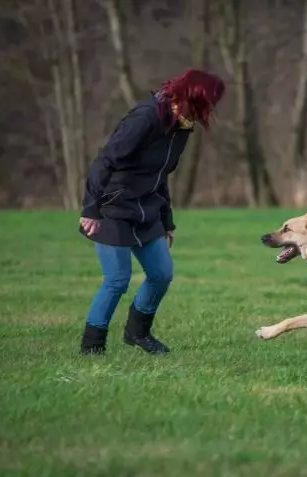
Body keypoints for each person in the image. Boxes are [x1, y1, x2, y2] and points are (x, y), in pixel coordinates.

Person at [78, 68, 225, 355]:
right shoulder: (145, 118)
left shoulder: (182, 128)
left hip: (147, 208)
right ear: (188, 97)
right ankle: (92, 346)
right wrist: (91, 208)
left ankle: (137, 332)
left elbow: (161, 176)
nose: (205, 113)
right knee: (117, 279)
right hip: (113, 206)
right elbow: (105, 161)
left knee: (161, 273)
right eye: (204, 106)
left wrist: (166, 221)